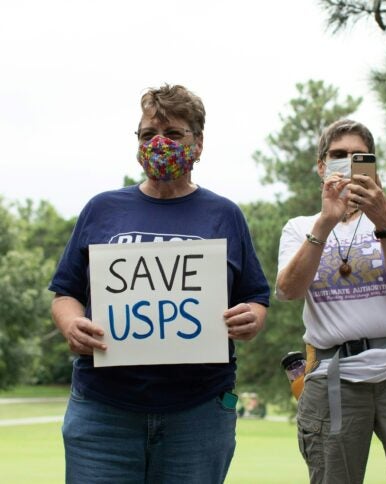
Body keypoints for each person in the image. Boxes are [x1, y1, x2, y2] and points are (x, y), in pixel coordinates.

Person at [48, 84, 270, 484]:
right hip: (103, 411)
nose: (159, 143)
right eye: (148, 135)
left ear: (198, 144)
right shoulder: (102, 209)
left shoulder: (225, 215)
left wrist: (251, 317)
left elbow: (255, 296)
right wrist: (70, 324)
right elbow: (66, 292)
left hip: (199, 411)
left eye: (173, 134)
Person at [276, 119, 386, 484]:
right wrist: (326, 223)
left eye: (359, 157)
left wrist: (384, 220)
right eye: (338, 155)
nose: (347, 163)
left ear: (372, 165)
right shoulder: (300, 227)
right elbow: (289, 290)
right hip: (332, 377)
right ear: (321, 165)